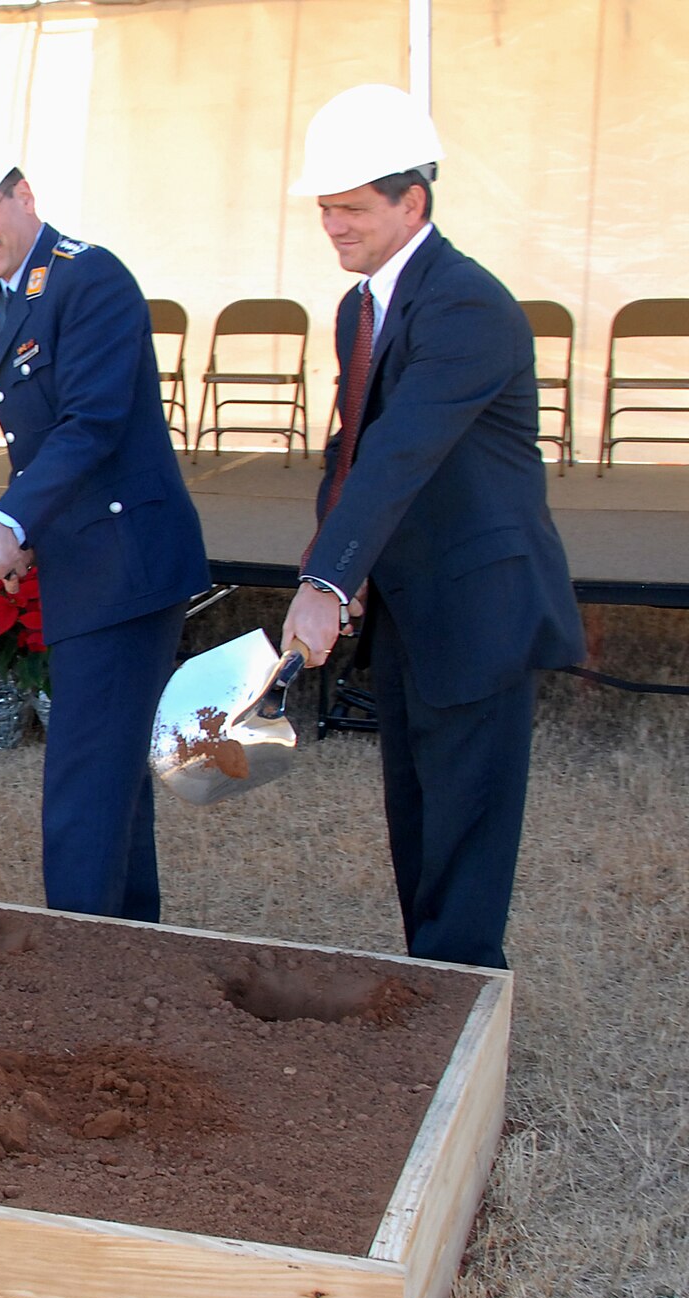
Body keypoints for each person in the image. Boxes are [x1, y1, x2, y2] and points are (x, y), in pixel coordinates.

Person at [281, 85, 583, 970]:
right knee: (417, 819)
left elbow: (402, 454)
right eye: (324, 208)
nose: (332, 226)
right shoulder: (359, 309)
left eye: (351, 208)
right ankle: (433, 991)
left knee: (467, 835)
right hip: (412, 606)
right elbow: (352, 452)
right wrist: (334, 563)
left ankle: (461, 1023)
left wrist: (326, 581)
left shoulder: (465, 305)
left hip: (480, 605)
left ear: (412, 201)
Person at [0, 162, 209, 922]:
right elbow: (34, 442)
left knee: (83, 785)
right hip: (82, 559)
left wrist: (12, 519)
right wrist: (30, 531)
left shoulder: (89, 278)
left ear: (25, 196)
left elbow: (90, 422)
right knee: (109, 778)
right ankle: (125, 952)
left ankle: (77, 969)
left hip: (127, 560)